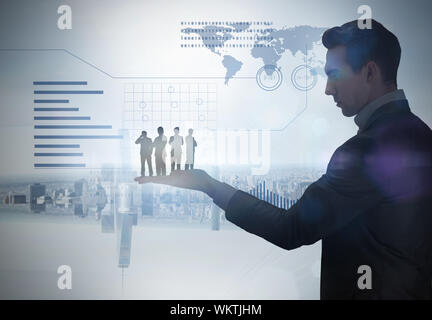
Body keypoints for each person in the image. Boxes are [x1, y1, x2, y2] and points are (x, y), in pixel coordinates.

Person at [134, 20, 432, 299]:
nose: (328, 89)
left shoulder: (364, 150)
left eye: (334, 75)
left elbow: (291, 229)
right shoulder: (422, 136)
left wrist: (208, 185)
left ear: (369, 72)